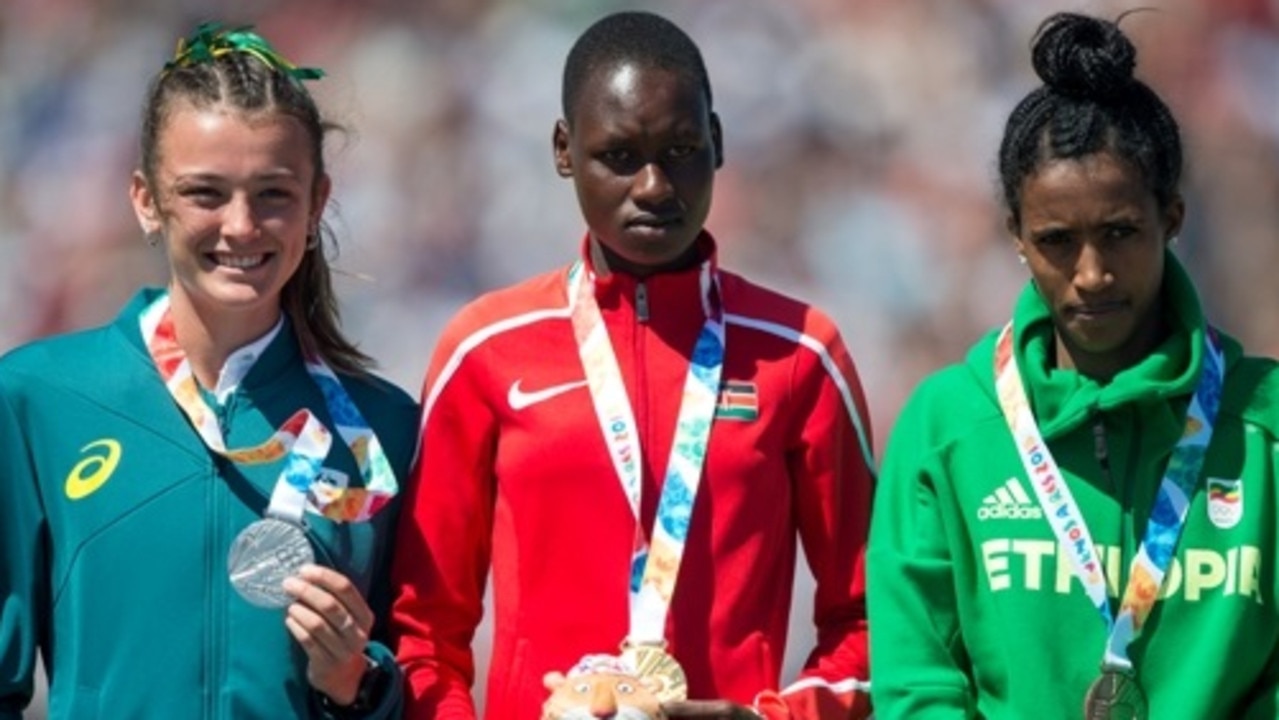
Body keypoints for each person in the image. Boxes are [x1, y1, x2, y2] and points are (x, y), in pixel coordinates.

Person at [389, 10, 875, 720]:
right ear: (564, 149)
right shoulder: (485, 349)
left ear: (717, 142)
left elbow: (871, 622)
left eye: (679, 149)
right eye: (618, 155)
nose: (652, 185)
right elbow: (422, 628)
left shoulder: (801, 351)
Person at [0, 22, 419, 720]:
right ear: (145, 200)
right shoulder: (40, 398)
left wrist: (359, 687)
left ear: (317, 204)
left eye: (274, 194)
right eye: (205, 193)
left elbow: (421, 680)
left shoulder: (384, 432)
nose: (242, 226)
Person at [866, 10, 1279, 720]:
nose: (1090, 274)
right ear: (1016, 238)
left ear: (1172, 218)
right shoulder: (946, 427)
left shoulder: (1264, 426)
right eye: (1056, 240)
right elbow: (917, 686)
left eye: (1119, 233)